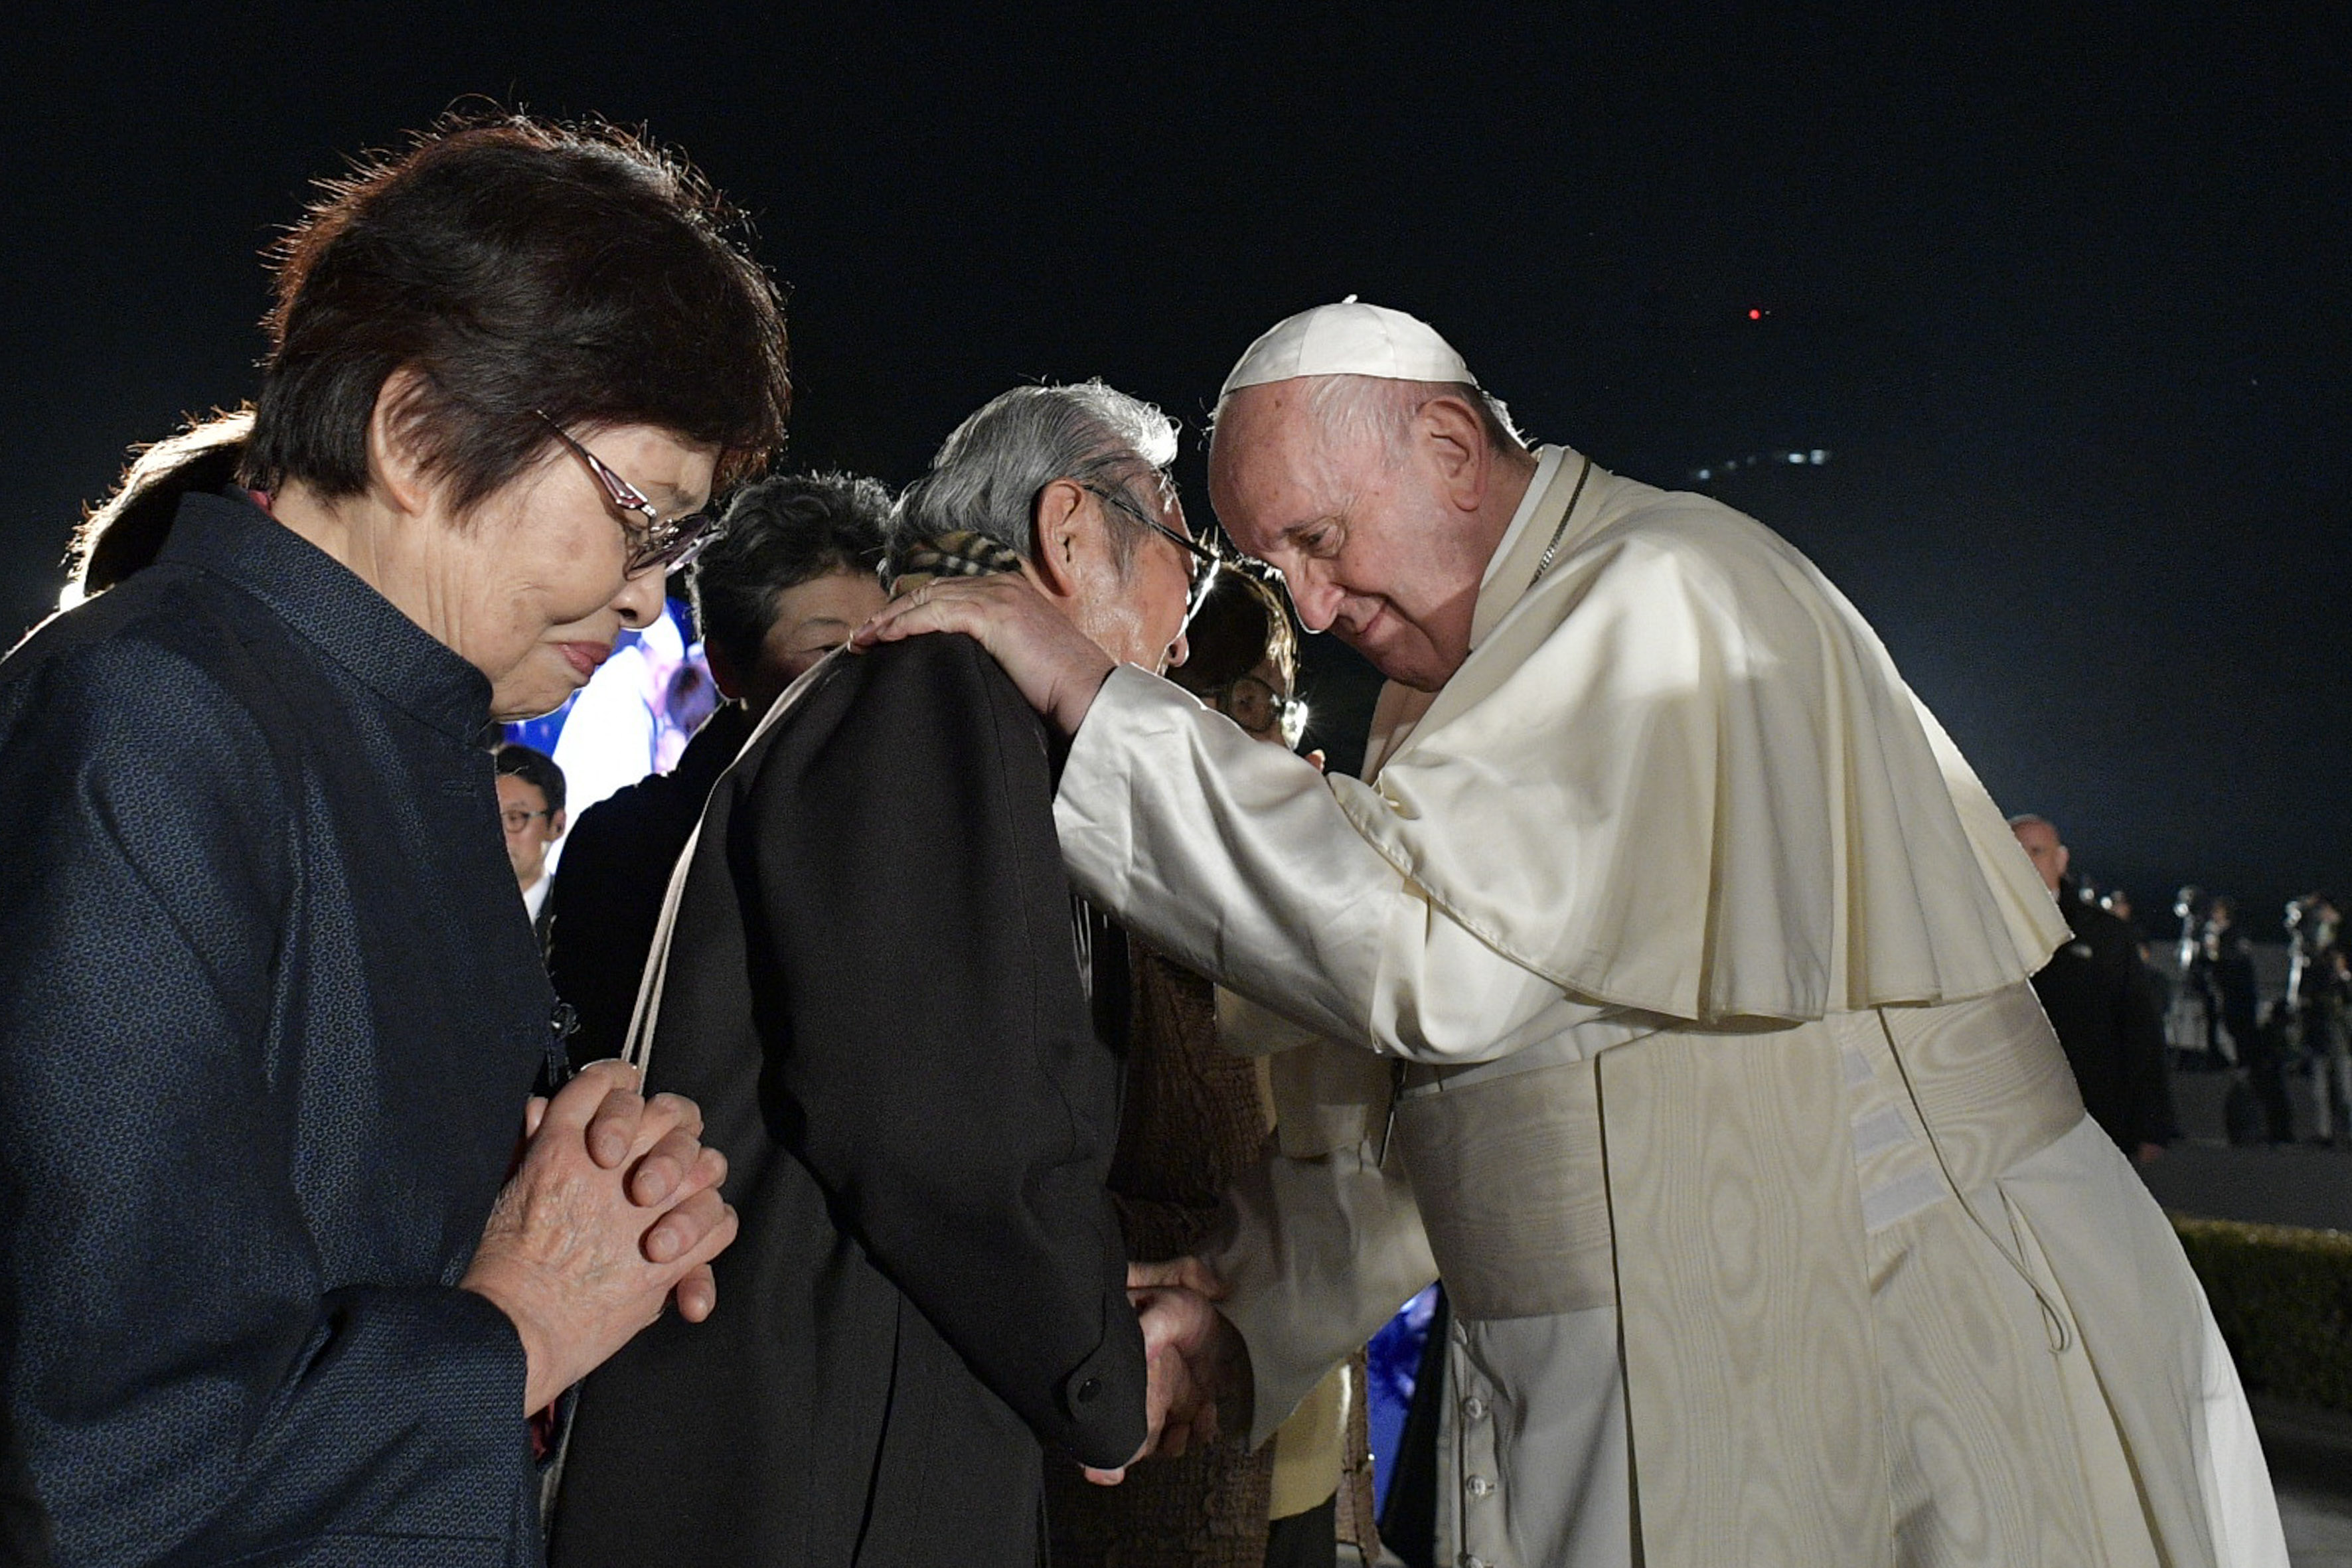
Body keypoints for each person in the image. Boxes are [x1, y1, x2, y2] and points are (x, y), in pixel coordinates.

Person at [861, 301, 2287, 1566]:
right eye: (1264, 559)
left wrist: (1087, 693)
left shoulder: (1662, 588)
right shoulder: (1459, 685)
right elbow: (1463, 1124)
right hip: (1645, 1365)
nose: (1301, 602)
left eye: (1318, 538)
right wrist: (1251, 1312)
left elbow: (1422, 954)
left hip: (1900, 1341)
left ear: (1447, 448)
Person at [0, 113, 786, 1564]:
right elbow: (100, 1465)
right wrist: (516, 1329)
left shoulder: (396, 726)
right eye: (641, 517)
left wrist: (584, 1181)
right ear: (416, 432)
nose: (646, 602)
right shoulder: (148, 717)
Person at [546, 382, 1204, 1567]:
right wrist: (1093, 1365)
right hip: (816, 1452)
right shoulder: (938, 695)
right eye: (1180, 550)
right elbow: (944, 1117)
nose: (1188, 625)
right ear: (1069, 532)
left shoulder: (953, 709)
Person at [1044, 570, 1379, 1568]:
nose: (1279, 731)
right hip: (1172, 1425)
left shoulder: (1269, 900)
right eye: (1265, 700)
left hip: (1294, 1428)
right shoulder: (1129, 902)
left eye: (1280, 704)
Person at [546, 470, 891, 1063]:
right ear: (728, 669)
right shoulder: (631, 846)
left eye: (889, 646)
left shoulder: (927, 822)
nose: (873, 681)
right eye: (830, 652)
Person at [2008, 815, 2178, 1162]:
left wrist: (2150, 1123)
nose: (2024, 861)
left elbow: (2139, 1027)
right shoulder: (1974, 929)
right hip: (2006, 1118)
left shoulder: (2105, 935)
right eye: (2013, 851)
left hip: (2090, 1113)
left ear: (2061, 859)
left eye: (2036, 851)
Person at [497, 742, 569, 951]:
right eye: (488, 817)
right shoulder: (445, 913)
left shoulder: (577, 917)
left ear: (557, 825)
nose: (498, 835)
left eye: (514, 818)